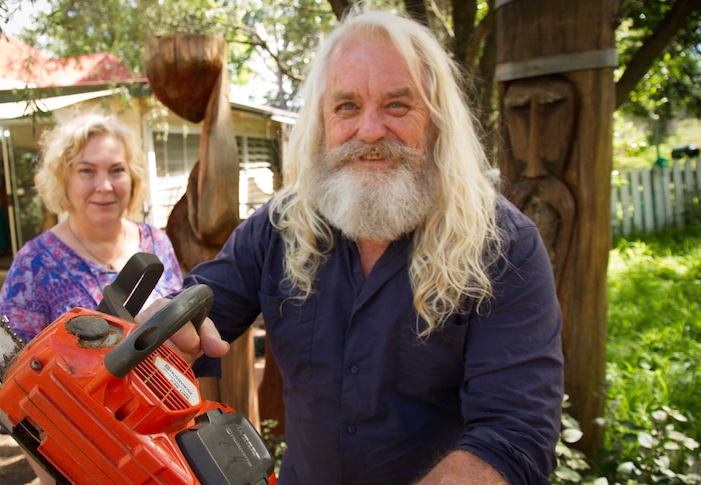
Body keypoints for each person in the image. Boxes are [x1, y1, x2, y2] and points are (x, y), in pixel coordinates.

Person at [160, 9, 565, 485]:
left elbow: (515, 435)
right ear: (322, 122)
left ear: (437, 121)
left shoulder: (502, 246)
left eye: (397, 105)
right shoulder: (278, 226)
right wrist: (166, 328)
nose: (370, 131)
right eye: (347, 107)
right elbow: (197, 313)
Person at [0, 111, 183, 344]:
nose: (105, 186)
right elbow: (13, 367)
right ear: (64, 180)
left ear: (133, 178)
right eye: (86, 170)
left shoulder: (157, 243)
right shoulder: (33, 265)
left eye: (117, 170)